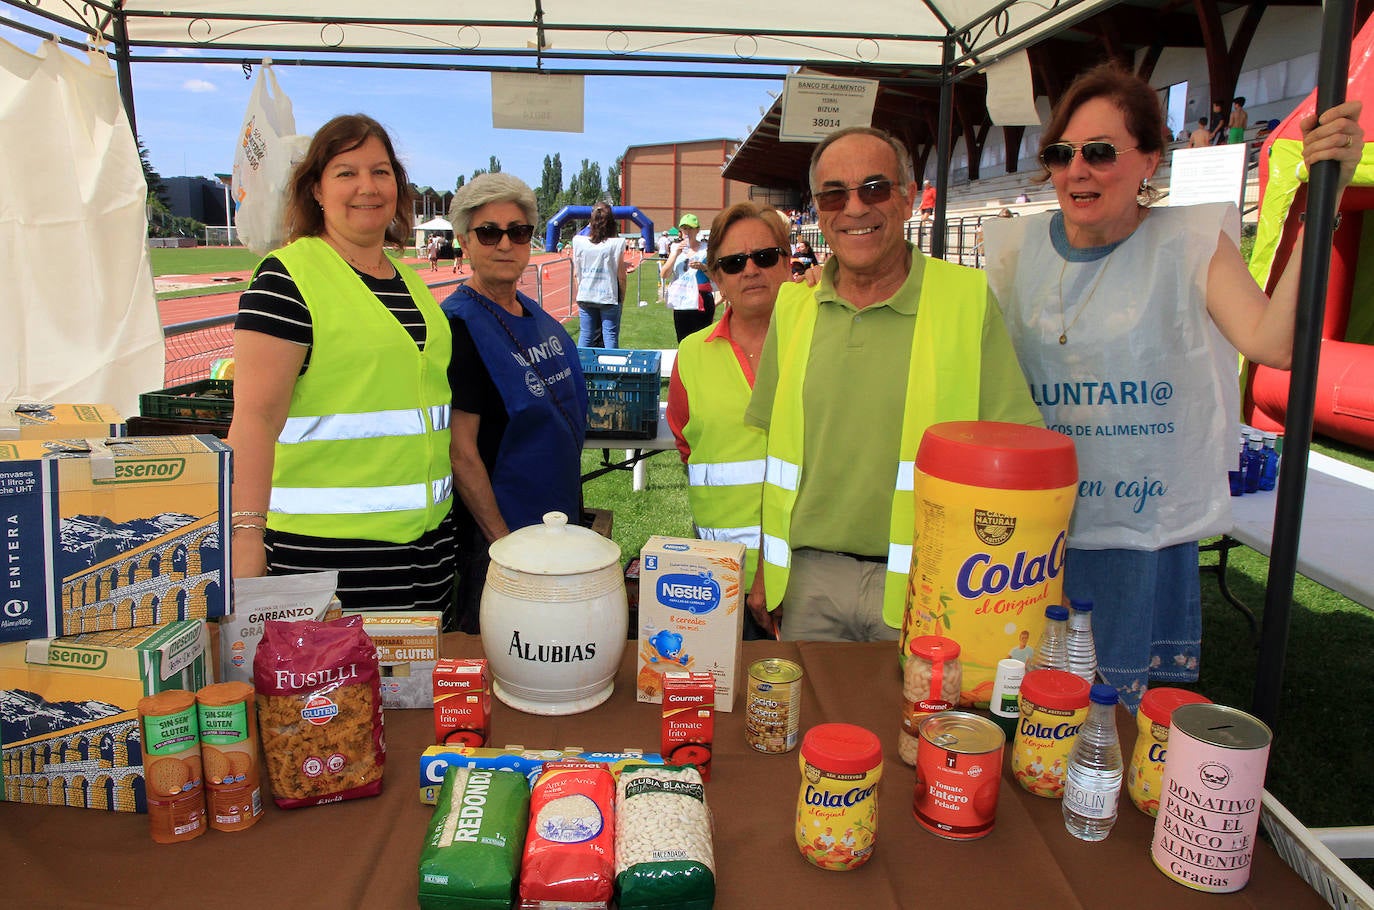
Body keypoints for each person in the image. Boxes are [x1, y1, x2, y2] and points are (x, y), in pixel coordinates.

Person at [981, 62, 1362, 710]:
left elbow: (1272, 343)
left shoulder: (1190, 245)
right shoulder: (1016, 253)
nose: (1078, 169)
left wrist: (1323, 206)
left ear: (1150, 158)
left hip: (1136, 530)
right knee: (1021, 707)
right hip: (1036, 530)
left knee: (1110, 721)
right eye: (1061, 153)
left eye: (1101, 152)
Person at [745, 126, 1044, 642]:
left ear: (909, 198)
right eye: (834, 194)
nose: (855, 208)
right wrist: (764, 571)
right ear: (817, 210)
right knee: (812, 724)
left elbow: (1014, 453)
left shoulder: (966, 300)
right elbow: (776, 457)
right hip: (810, 584)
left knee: (924, 726)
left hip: (937, 587)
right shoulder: (794, 307)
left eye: (875, 188)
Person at [226, 113, 456, 618]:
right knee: (337, 697)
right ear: (315, 190)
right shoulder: (287, 280)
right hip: (325, 557)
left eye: (380, 171)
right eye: (346, 172)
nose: (367, 187)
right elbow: (254, 421)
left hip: (424, 551)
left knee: (413, 696)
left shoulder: (408, 282)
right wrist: (245, 541)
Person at [440, 173, 589, 633]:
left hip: (557, 521)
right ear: (465, 242)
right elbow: (461, 452)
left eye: (518, 231)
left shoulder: (536, 314)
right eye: (489, 232)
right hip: (499, 541)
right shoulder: (460, 329)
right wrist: (503, 546)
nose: (505, 243)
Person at [667, 202, 792, 641]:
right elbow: (687, 447)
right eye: (734, 262)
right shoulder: (693, 354)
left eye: (765, 256)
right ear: (716, 277)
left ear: (789, 261)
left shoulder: (822, 343)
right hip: (719, 578)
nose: (751, 270)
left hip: (809, 576)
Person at [571, 201, 628, 348]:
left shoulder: (578, 242)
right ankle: (611, 370)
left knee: (586, 335)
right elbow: (621, 276)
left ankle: (582, 368)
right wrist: (621, 296)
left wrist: (581, 291)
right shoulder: (616, 244)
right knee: (610, 335)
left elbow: (576, 273)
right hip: (608, 295)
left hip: (585, 294)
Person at [660, 213, 715, 341]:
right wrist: (675, 254)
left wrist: (703, 267)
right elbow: (664, 274)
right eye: (684, 228)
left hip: (701, 299)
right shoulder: (675, 248)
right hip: (682, 300)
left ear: (697, 230)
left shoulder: (706, 250)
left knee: (702, 341)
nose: (687, 231)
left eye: (690, 228)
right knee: (683, 341)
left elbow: (716, 277)